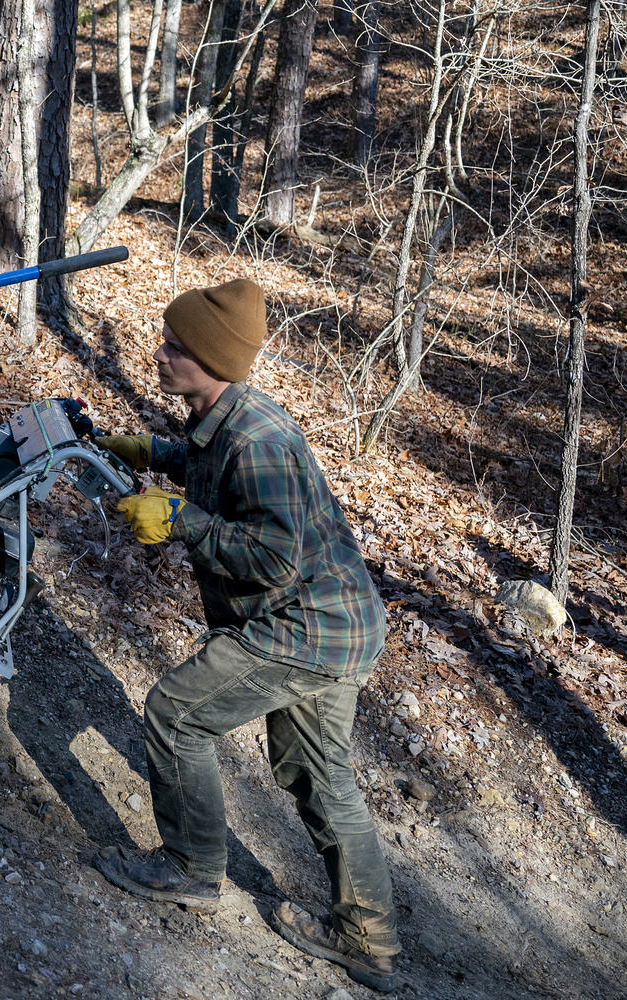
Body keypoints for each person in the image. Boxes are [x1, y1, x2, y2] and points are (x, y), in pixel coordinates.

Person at [91, 278, 400, 993]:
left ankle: (191, 868)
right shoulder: (224, 417)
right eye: (166, 339)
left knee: (177, 712)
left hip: (304, 627)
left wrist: (179, 518)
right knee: (320, 775)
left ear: (214, 361)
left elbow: (272, 555)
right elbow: (208, 464)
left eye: (175, 346)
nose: (160, 353)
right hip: (343, 624)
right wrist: (152, 453)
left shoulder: (256, 437)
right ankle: (369, 941)